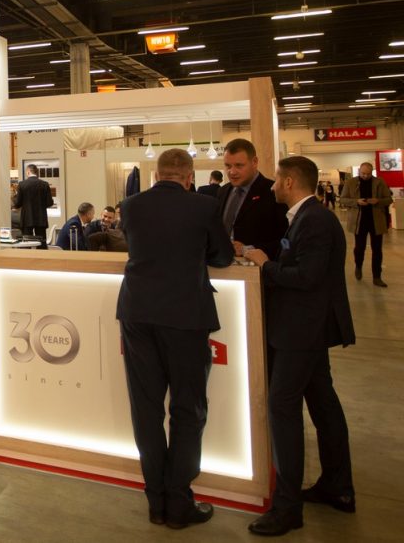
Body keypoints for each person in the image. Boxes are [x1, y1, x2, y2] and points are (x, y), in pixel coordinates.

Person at [116, 148, 233, 530]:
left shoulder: (131, 205)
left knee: (146, 410)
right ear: (189, 176)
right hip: (185, 317)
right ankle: (179, 501)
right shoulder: (204, 206)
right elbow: (222, 256)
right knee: (187, 408)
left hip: (137, 313)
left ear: (156, 174)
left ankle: (156, 501)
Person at [243, 157, 356, 536]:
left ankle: (288, 507)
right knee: (323, 404)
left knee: (282, 408)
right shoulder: (307, 218)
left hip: (301, 331)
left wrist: (265, 264)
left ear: (290, 181)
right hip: (305, 329)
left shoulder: (315, 220)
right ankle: (337, 487)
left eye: (277, 180)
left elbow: (307, 277)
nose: (273, 186)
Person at [217, 138, 287, 259]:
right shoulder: (223, 191)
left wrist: (248, 249)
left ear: (254, 162)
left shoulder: (273, 192)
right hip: (223, 265)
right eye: (228, 166)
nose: (232, 172)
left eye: (239, 165)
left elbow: (286, 242)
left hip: (259, 267)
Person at [340, 162, 392, 288]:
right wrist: (356, 202)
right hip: (359, 221)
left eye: (368, 174)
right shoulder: (351, 182)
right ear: (359, 171)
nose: (365, 176)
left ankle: (377, 277)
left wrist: (378, 201)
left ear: (372, 172)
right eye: (363, 173)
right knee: (359, 248)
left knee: (377, 249)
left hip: (376, 221)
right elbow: (342, 199)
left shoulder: (379, 182)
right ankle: (358, 266)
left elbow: (389, 199)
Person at [13, 164, 54, 248]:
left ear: (28, 172)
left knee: (26, 244)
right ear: (36, 172)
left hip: (27, 218)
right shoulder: (45, 184)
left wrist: (15, 203)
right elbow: (49, 202)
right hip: (41, 218)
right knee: (41, 243)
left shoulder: (22, 184)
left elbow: (18, 203)